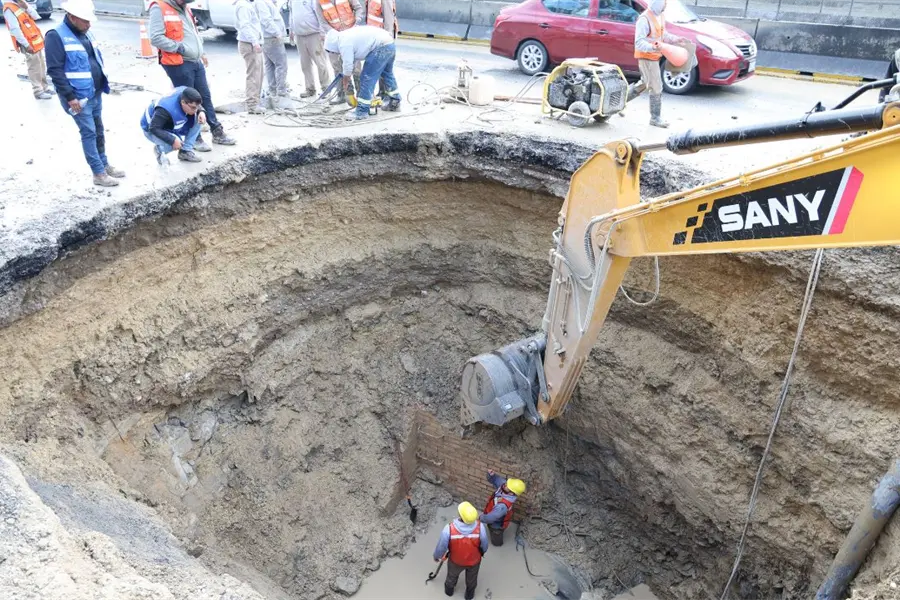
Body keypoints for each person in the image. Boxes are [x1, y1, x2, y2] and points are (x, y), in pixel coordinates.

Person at [45, 0, 125, 187]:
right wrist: (70, 97)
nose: (89, 24)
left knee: (98, 130)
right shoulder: (55, 36)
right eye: (85, 20)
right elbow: (55, 71)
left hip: (94, 92)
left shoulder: (85, 32)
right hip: (77, 98)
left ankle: (104, 164)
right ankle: (98, 173)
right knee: (89, 132)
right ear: (72, 17)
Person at [149, 0, 236, 149]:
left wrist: (201, 52)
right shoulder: (159, 7)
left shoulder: (186, 7)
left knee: (204, 97)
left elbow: (193, 33)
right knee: (189, 102)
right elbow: (156, 38)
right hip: (178, 62)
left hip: (195, 60)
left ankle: (217, 131)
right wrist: (180, 48)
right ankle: (195, 138)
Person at [324, 25, 400, 120]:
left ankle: (362, 111)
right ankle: (394, 102)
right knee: (386, 73)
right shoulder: (346, 36)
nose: (334, 53)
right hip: (389, 43)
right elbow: (353, 61)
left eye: (332, 52)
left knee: (366, 78)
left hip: (380, 47)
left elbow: (348, 65)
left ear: (332, 46)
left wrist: (346, 80)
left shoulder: (343, 43)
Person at [631, 0, 685, 128]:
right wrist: (653, 47)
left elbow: (662, 34)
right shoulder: (644, 19)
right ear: (657, 3)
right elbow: (638, 43)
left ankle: (619, 101)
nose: (666, 5)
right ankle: (655, 118)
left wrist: (675, 39)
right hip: (647, 57)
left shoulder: (659, 16)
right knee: (656, 87)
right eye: (664, 2)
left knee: (644, 83)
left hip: (654, 56)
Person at [432, 502, 488, 600]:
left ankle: (449, 592)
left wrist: (437, 556)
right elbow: (484, 546)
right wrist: (480, 553)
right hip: (474, 561)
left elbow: (441, 547)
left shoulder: (449, 529)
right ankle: (469, 596)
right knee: (472, 580)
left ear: (460, 515)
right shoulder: (480, 527)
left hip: (455, 561)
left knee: (452, 577)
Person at [3, 0, 55, 99]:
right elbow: (15, 29)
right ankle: (38, 91)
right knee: (34, 67)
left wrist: (26, 7)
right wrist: (26, 45)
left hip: (35, 41)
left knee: (41, 65)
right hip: (28, 44)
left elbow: (36, 16)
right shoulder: (9, 8)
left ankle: (45, 88)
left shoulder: (21, 3)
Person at [141, 86, 205, 165]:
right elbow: (154, 128)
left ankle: (185, 151)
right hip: (151, 128)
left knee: (199, 118)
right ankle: (159, 150)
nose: (195, 110)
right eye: (193, 108)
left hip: (170, 122)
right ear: (183, 102)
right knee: (175, 143)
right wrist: (172, 140)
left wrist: (201, 111)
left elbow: (196, 104)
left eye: (197, 107)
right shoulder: (165, 109)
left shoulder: (186, 94)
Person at [319, 0, 363, 104]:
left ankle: (362, 95)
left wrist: (357, 20)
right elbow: (322, 22)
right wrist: (335, 35)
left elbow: (358, 8)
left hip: (351, 35)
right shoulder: (319, 2)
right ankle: (341, 95)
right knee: (337, 67)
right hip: (335, 38)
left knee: (356, 67)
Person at [289, 0, 330, 97]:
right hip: (299, 35)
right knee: (305, 64)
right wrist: (291, 30)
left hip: (314, 34)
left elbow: (319, 14)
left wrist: (322, 32)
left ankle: (326, 88)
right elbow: (291, 14)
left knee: (320, 63)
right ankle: (310, 89)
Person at [234, 0, 265, 113]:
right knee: (253, 75)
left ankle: (255, 102)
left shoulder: (247, 5)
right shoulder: (244, 6)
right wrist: (254, 42)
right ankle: (252, 105)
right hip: (249, 44)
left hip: (251, 43)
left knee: (258, 74)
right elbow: (245, 25)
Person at [256, 0, 289, 104]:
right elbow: (266, 20)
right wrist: (277, 32)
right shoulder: (261, 3)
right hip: (271, 37)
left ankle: (273, 90)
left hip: (268, 37)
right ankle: (280, 91)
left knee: (270, 65)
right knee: (281, 64)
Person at [482, 469, 526, 547]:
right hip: (493, 513)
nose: (505, 485)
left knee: (496, 534)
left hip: (497, 523)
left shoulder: (502, 506)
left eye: (507, 486)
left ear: (511, 493)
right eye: (506, 484)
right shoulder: (505, 487)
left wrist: (481, 518)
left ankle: (497, 543)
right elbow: (496, 480)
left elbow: (490, 518)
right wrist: (492, 475)